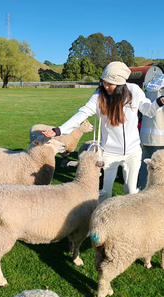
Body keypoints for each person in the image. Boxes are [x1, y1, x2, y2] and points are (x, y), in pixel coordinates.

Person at [42, 61, 164, 203]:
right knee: (105, 193)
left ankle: (128, 221)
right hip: (109, 153)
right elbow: (83, 113)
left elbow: (148, 111)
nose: (106, 86)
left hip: (133, 152)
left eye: (110, 84)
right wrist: (59, 130)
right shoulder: (99, 95)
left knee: (131, 191)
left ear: (120, 84)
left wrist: (159, 102)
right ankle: (98, 220)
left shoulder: (134, 91)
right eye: (104, 82)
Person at [138, 88, 164, 190]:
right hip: (161, 136)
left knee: (146, 169)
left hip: (147, 135)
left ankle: (142, 194)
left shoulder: (151, 84)